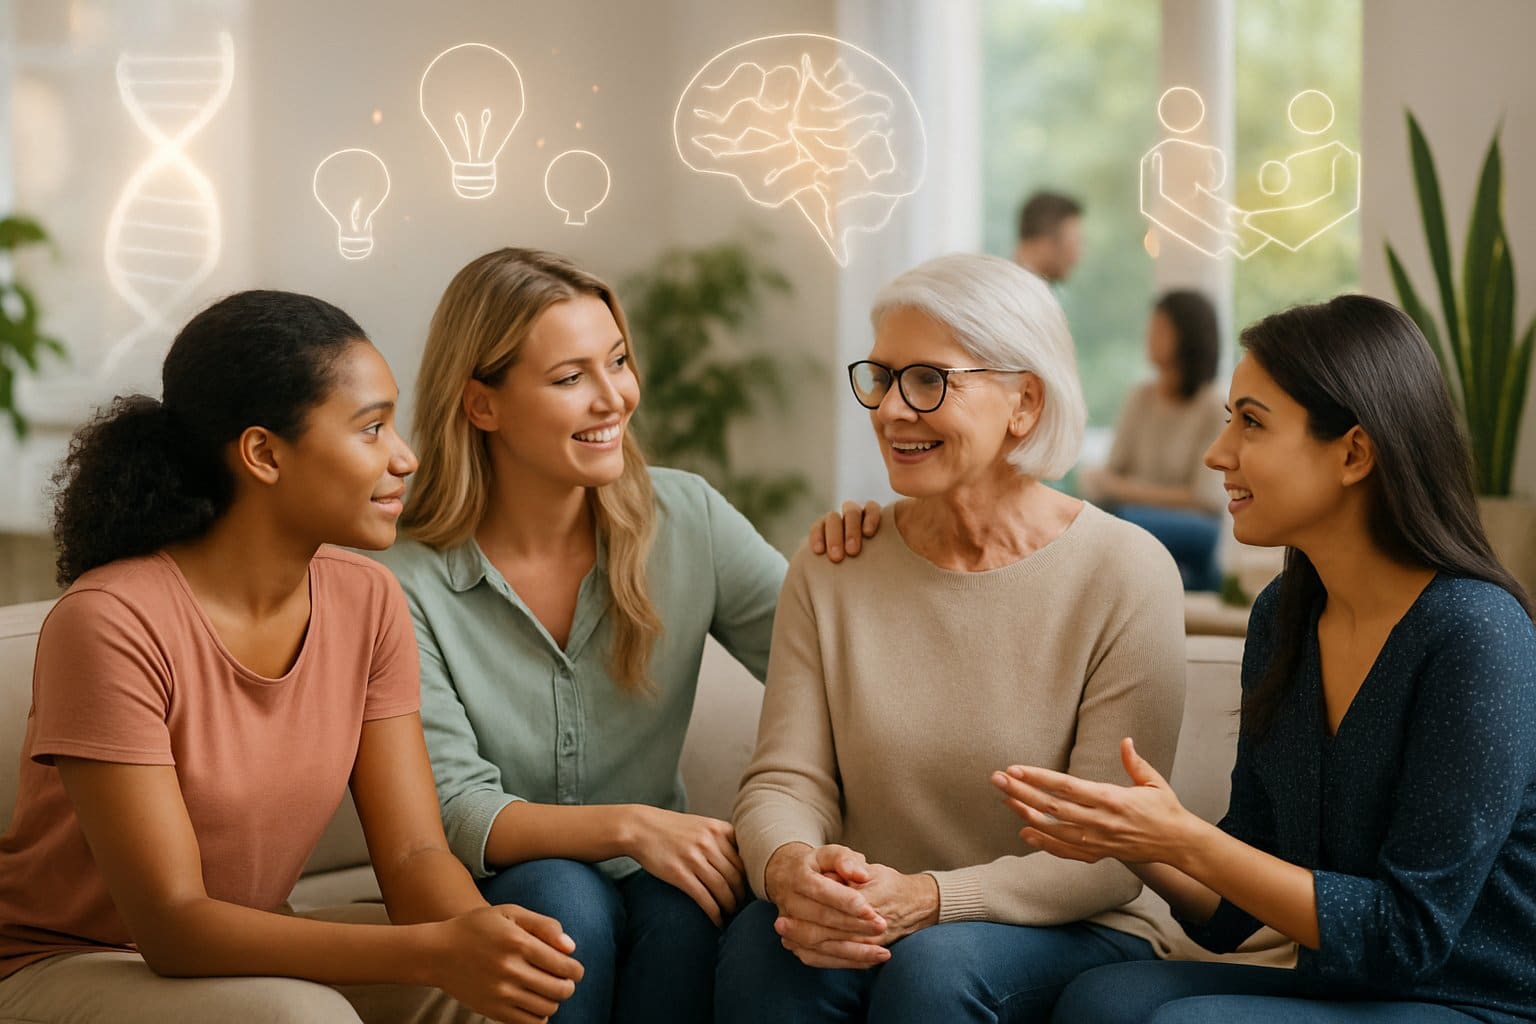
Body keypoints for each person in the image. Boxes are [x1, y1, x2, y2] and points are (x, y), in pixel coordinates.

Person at [0, 291, 584, 1023]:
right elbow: (174, 925)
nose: (404, 457)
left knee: (501, 987)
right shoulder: (112, 622)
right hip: (67, 962)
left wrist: (476, 939)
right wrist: (434, 953)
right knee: (302, 1016)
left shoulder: (367, 600)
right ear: (264, 454)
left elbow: (410, 857)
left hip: (244, 946)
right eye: (370, 429)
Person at [994, 295, 1536, 1023]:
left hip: (1474, 998)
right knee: (1102, 1001)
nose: (1219, 454)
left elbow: (1406, 935)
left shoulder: (1475, 633)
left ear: (1353, 452)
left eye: (1250, 422)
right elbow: (1231, 913)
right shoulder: (1283, 616)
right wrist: (1133, 837)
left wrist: (1185, 838)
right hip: (1353, 989)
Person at [374, 248, 876, 1024]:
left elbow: (833, 667)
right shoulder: (403, 581)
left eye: (617, 361)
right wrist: (633, 827)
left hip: (660, 883)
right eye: (571, 377)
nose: (616, 398)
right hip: (498, 882)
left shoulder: (688, 517)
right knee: (561, 893)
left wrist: (895, 550)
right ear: (482, 405)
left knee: (683, 913)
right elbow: (453, 808)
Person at [715, 252, 1189, 1023]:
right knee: (766, 952)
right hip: (874, 910)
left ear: (1024, 403)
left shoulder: (1125, 572)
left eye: (929, 381)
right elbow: (784, 781)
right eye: (881, 376)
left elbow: (1111, 854)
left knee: (934, 971)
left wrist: (934, 898)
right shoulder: (836, 562)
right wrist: (791, 865)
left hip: (1067, 928)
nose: (890, 410)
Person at [1081, 290, 1228, 591]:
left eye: (1161, 329)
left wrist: (1127, 490)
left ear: (1187, 338)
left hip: (1196, 528)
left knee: (1114, 522)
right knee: (1090, 516)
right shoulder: (1140, 398)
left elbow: (1205, 499)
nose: (1149, 336)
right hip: (1133, 519)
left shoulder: (1214, 406)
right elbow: (1111, 472)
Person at [1014, 190, 1084, 284]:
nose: (1077, 257)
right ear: (1042, 244)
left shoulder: (1023, 290)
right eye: (1073, 243)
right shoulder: (1013, 294)